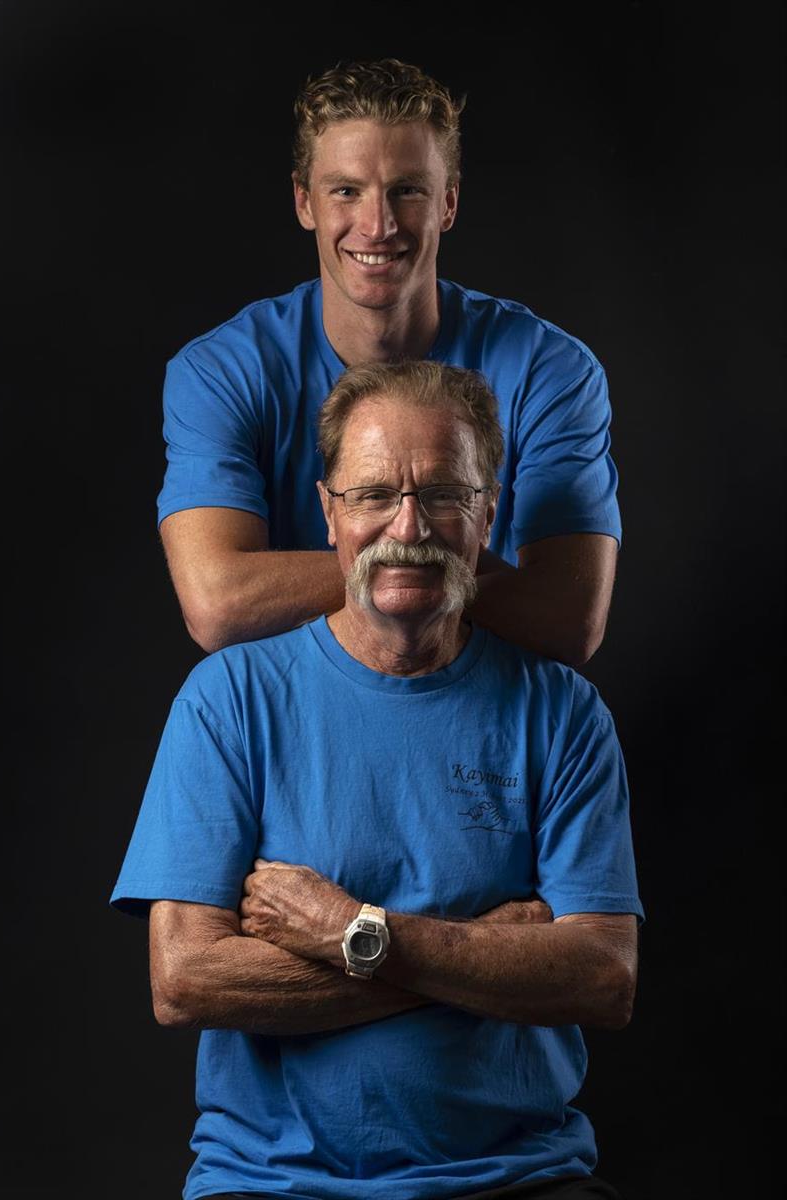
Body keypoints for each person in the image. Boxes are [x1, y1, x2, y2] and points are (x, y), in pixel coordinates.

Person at [113, 362, 642, 1200]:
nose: (408, 526)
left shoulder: (564, 714)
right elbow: (186, 981)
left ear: (488, 513)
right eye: (372, 496)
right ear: (329, 512)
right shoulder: (231, 701)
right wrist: (482, 952)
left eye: (443, 494)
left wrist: (351, 931)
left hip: (518, 1177)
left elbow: (602, 979)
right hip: (273, 1182)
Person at [158, 59, 620, 666]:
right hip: (295, 714)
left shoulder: (550, 371)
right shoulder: (222, 373)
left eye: (407, 189)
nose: (377, 226)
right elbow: (218, 603)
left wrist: (380, 572)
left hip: (489, 708)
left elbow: (569, 618)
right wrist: (434, 569)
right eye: (346, 190)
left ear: (447, 204)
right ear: (304, 202)